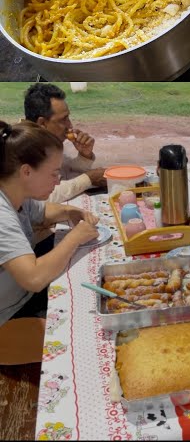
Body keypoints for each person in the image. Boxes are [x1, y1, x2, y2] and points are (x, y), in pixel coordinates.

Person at [0, 121, 100, 365]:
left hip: (22, 299)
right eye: (54, 173)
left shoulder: (16, 193)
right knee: (86, 341)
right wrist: (76, 236)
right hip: (7, 318)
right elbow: (33, 278)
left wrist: (70, 212)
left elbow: (45, 211)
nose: (58, 181)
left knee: (89, 294)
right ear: (26, 172)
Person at [23, 83, 107, 204]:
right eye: (63, 119)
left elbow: (65, 171)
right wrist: (88, 179)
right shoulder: (23, 146)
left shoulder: (47, 141)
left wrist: (84, 155)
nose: (70, 126)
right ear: (42, 123)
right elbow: (41, 198)